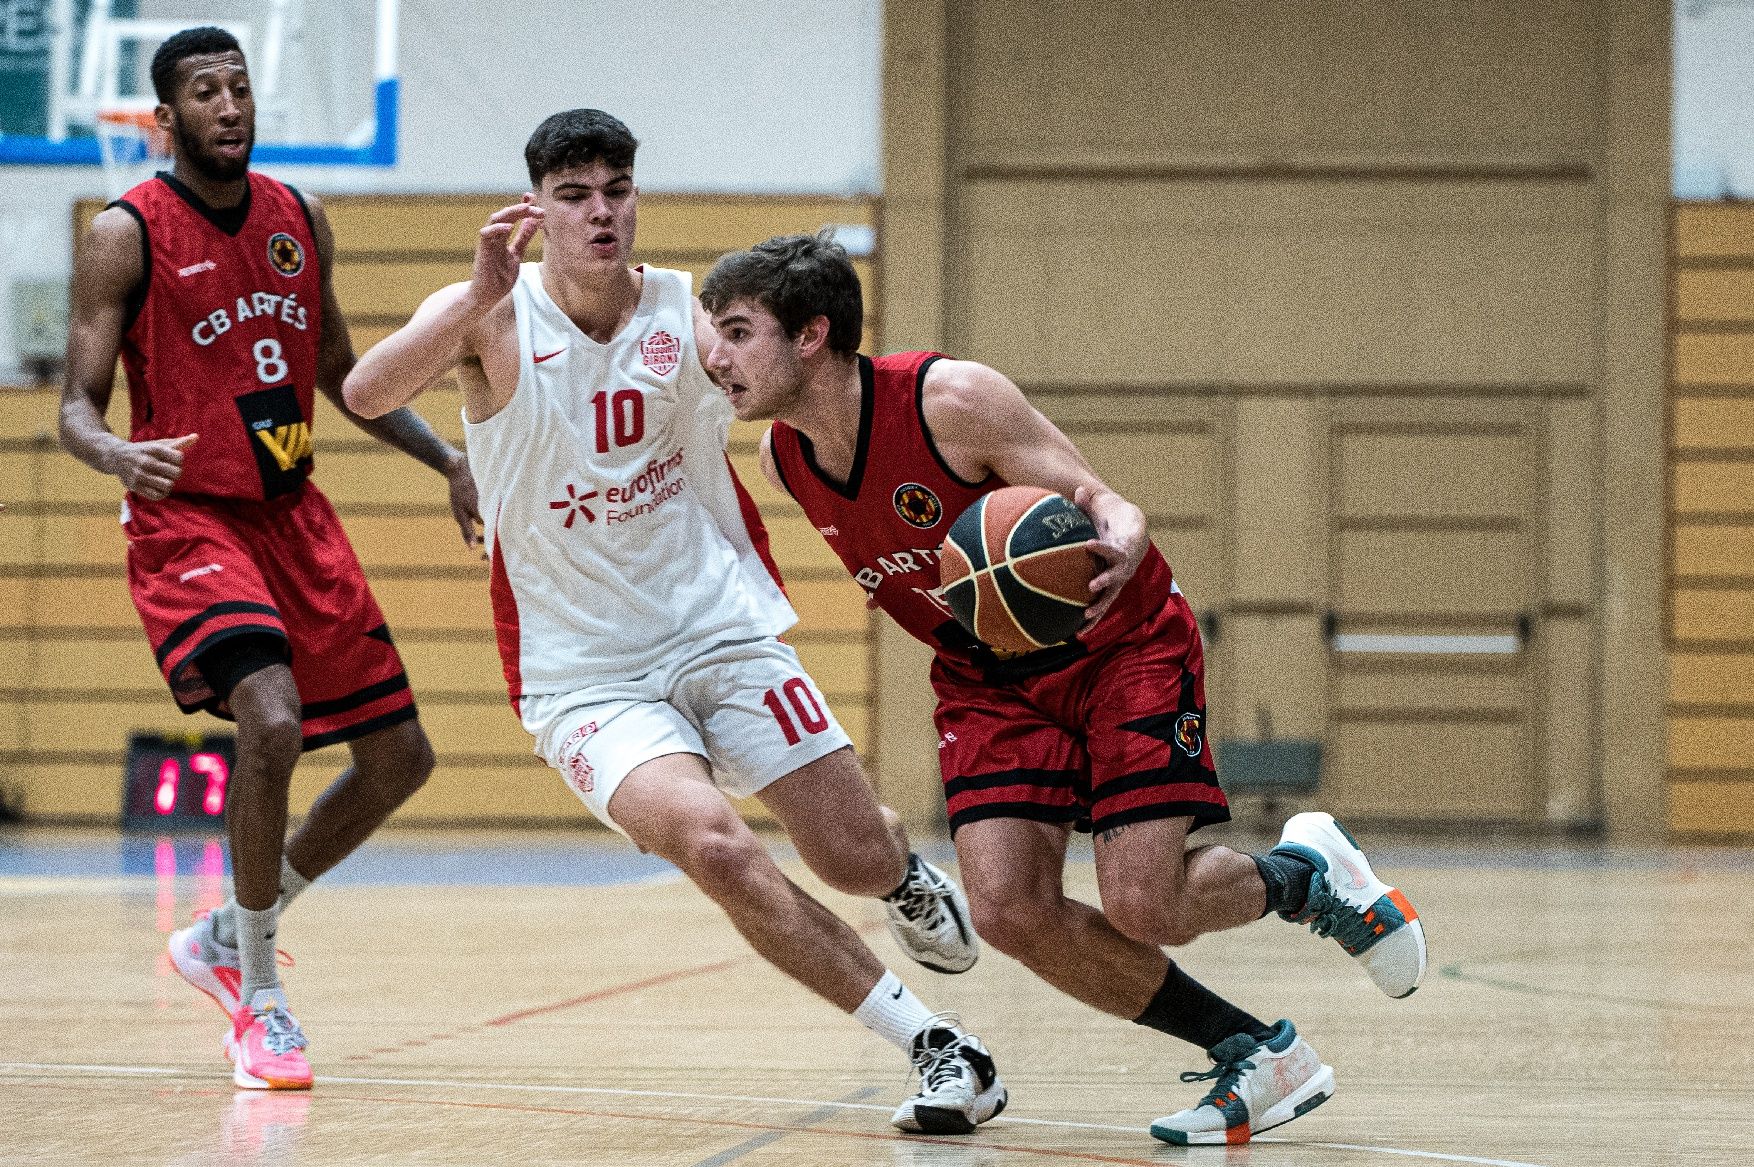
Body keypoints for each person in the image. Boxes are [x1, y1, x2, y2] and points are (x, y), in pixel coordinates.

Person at [341, 109, 1005, 1135]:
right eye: (574, 195)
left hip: (715, 629)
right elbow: (364, 388)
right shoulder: (490, 313)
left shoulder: (686, 313)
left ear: (634, 200)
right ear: (538, 209)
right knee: (718, 847)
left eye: (616, 190)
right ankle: (934, 1042)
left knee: (849, 855)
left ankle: (902, 875)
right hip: (581, 674)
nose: (599, 212)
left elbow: (789, 384)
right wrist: (473, 294)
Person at [699, 230, 1430, 1146]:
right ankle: (1254, 1051)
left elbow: (1098, 496)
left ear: (811, 336)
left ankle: (1306, 877)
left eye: (735, 331)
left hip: (1114, 646)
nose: (714, 355)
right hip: (985, 675)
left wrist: (1123, 527)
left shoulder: (950, 399)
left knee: (1144, 903)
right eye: (710, 332)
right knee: (1006, 909)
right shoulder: (786, 458)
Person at [59, 27, 482, 1091]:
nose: (230, 106)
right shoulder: (124, 234)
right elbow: (73, 404)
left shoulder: (300, 219)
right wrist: (111, 449)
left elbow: (345, 373)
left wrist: (446, 460)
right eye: (206, 92)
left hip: (294, 517)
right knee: (274, 720)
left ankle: (226, 930)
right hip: (190, 520)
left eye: (240, 88)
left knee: (401, 761)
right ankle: (258, 995)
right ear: (167, 117)